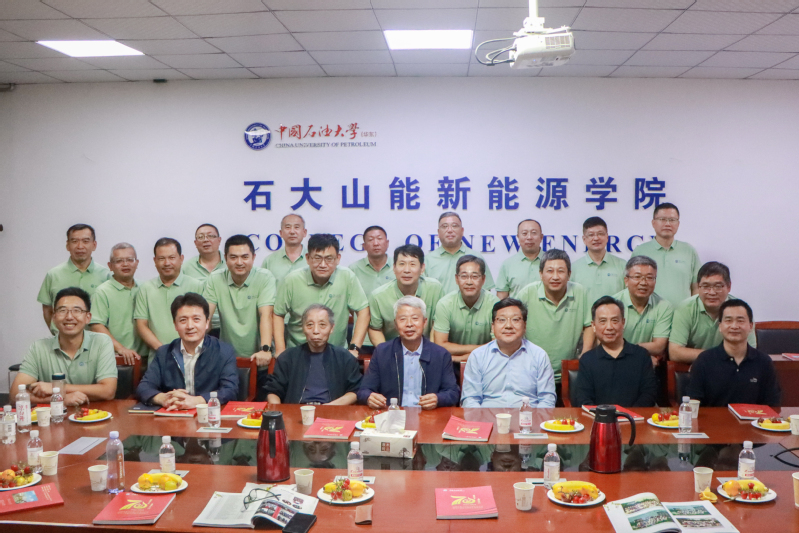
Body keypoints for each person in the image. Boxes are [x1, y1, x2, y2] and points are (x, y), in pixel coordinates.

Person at [12, 287, 117, 405]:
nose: (69, 317)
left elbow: (108, 391)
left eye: (77, 310)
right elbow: (15, 394)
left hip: (95, 413)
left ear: (88, 317)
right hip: (53, 415)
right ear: (54, 317)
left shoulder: (102, 342)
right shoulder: (39, 347)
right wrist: (61, 400)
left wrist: (56, 387)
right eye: (62, 310)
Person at [136, 292, 239, 409]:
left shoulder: (224, 351)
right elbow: (144, 387)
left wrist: (197, 401)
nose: (190, 326)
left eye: (196, 319)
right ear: (175, 325)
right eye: (183, 320)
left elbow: (230, 390)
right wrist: (163, 398)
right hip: (173, 415)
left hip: (209, 414)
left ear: (207, 322)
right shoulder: (164, 353)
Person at [273, 233, 369, 356]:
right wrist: (280, 350)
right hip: (298, 353)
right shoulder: (292, 280)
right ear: (307, 258)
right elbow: (278, 314)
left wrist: (354, 347)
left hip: (337, 354)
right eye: (317, 258)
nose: (323, 265)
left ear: (338, 259)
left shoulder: (347, 277)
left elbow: (363, 311)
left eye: (329, 259)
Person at [204, 235, 276, 398]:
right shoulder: (215, 278)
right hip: (227, 361)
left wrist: (265, 349)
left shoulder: (265, 277)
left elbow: (266, 315)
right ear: (225, 258)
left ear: (253, 257)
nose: (239, 262)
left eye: (245, 257)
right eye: (233, 257)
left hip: (260, 359)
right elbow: (205, 316)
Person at [357, 296, 459, 409]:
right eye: (403, 319)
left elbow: (453, 393)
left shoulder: (440, 354)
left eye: (415, 318)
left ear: (424, 322)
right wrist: (369, 397)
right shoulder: (382, 352)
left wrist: (438, 399)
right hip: (392, 415)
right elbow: (363, 391)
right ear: (396, 324)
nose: (409, 324)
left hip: (427, 415)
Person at [461, 298, 556, 408]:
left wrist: (533, 418)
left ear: (524, 326)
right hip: (488, 417)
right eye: (502, 320)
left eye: (515, 320)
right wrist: (482, 419)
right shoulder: (478, 356)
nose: (508, 326)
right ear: (493, 327)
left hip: (528, 417)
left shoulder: (539, 356)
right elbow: (470, 399)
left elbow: (547, 400)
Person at [516, 249, 594, 384]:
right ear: (541, 274)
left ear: (569, 274)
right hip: (532, 372)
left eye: (561, 271)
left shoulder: (580, 292)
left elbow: (589, 325)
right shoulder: (526, 294)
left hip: (569, 372)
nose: (555, 277)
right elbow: (513, 324)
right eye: (550, 271)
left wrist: (584, 355)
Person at [688, 300, 780, 407]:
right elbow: (694, 402)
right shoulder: (704, 360)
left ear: (750, 326)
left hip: (752, 418)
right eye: (728, 320)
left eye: (740, 321)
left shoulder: (764, 361)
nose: (734, 326)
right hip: (714, 418)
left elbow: (772, 404)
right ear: (720, 326)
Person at [265, 304, 361, 405]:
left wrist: (330, 408)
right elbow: (273, 391)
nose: (315, 331)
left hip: (332, 410)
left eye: (322, 325)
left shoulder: (344, 357)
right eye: (310, 325)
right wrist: (278, 410)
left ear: (332, 328)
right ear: (303, 328)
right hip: (297, 410)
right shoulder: (288, 357)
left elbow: (355, 390)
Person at [573, 296, 657, 407]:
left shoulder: (641, 355)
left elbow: (649, 394)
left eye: (614, 320)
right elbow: (583, 398)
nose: (609, 327)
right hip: (598, 417)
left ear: (623, 323)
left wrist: (628, 415)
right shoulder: (587, 360)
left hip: (634, 417)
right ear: (593, 326)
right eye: (603, 321)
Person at [134, 238, 204, 364]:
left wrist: (183, 350)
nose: (167, 263)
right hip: (158, 359)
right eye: (161, 258)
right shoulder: (145, 288)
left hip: (192, 358)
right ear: (155, 261)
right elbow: (141, 325)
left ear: (181, 259)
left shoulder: (197, 286)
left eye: (172, 258)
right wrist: (163, 351)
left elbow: (203, 323)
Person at [669, 261, 755, 364]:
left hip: (732, 366)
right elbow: (674, 352)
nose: (712, 292)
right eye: (705, 286)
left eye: (718, 286)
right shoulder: (685, 309)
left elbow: (751, 352)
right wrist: (718, 356)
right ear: (698, 287)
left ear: (729, 287)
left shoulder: (741, 310)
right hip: (697, 366)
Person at [37, 223, 110, 332]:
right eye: (74, 241)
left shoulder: (106, 275)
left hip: (97, 339)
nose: (80, 246)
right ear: (67, 245)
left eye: (85, 241)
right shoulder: (53, 275)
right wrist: (57, 333)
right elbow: (47, 310)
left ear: (94, 245)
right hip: (63, 338)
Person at [368, 244, 442, 345]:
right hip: (392, 348)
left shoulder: (435, 289)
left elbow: (437, 324)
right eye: (402, 264)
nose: (407, 270)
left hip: (426, 347)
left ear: (422, 268)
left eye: (412, 264)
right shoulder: (378, 296)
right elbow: (375, 329)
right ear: (394, 268)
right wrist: (385, 352)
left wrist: (431, 351)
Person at [89, 243, 148, 365]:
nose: (125, 264)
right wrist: (120, 349)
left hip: (146, 357)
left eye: (130, 260)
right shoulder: (102, 292)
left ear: (137, 263)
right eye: (119, 261)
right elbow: (96, 326)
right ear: (110, 266)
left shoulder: (145, 288)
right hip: (116, 358)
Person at [631, 203, 700, 306]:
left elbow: (696, 287)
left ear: (678, 224)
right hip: (649, 313)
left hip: (683, 313)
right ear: (653, 223)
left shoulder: (688, 251)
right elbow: (632, 286)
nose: (667, 224)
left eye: (672, 220)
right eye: (662, 219)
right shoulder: (640, 251)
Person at [433, 255, 499, 363]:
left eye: (474, 276)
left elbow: (497, 346)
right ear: (456, 279)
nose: (469, 282)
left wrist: (460, 358)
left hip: (486, 361)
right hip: (450, 363)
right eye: (464, 276)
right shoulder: (445, 304)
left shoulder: (495, 304)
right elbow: (440, 345)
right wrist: (477, 350)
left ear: (483, 279)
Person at [612, 256, 673, 367]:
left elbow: (659, 346)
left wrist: (627, 350)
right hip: (615, 362)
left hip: (649, 366)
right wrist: (638, 356)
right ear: (626, 280)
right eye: (637, 277)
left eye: (649, 278)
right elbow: (609, 344)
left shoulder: (664, 306)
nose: (643, 283)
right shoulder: (612, 305)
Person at [348, 225, 396, 354]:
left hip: (393, 336)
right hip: (363, 339)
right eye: (370, 240)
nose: (375, 243)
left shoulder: (398, 267)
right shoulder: (353, 270)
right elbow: (351, 305)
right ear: (364, 246)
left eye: (379, 238)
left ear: (387, 243)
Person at [425, 212, 495, 295]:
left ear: (462, 231)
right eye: (444, 226)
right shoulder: (427, 260)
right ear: (438, 232)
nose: (450, 230)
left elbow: (486, 291)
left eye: (454, 226)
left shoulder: (476, 257)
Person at [570, 217, 626, 305]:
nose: (596, 238)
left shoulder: (623, 265)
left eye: (600, 234)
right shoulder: (574, 268)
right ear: (584, 239)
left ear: (607, 237)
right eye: (591, 235)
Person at [182, 223, 226, 334]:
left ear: (219, 240)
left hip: (228, 326)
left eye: (210, 236)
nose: (206, 240)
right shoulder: (186, 268)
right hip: (198, 327)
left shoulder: (230, 264)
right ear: (195, 243)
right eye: (201, 237)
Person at [496, 219, 545, 299]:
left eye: (534, 233)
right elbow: (501, 298)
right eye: (524, 233)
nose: (529, 237)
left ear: (541, 237)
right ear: (518, 237)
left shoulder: (551, 262)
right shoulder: (508, 264)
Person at [261, 214, 308, 285]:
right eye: (288, 227)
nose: (292, 232)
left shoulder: (314, 259)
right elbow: (262, 287)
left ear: (304, 232)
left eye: (296, 227)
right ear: (281, 233)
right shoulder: (269, 261)